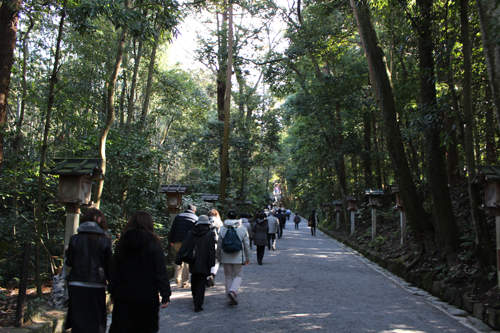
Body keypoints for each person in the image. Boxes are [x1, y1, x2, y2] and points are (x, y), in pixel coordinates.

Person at [108, 211, 171, 333]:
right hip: (147, 295)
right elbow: (160, 270)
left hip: (123, 295)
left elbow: (114, 269)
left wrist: (112, 290)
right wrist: (165, 293)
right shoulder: (153, 243)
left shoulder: (122, 242)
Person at [65, 208, 112, 333]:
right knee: (96, 321)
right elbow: (109, 267)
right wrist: (113, 288)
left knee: (78, 320)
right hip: (97, 284)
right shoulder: (105, 240)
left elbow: (69, 263)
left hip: (76, 283)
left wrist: (67, 251)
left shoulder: (75, 239)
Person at [176, 215, 216, 312]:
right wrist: (211, 262)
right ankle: (198, 304)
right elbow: (211, 249)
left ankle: (195, 298)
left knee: (194, 278)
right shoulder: (210, 234)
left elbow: (185, 245)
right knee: (202, 281)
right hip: (205, 260)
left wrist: (179, 258)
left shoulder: (191, 232)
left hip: (193, 260)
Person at [217, 209, 251, 306]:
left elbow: (219, 244)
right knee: (238, 275)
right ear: (236, 217)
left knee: (228, 277)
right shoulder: (242, 228)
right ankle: (233, 291)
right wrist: (247, 258)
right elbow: (246, 245)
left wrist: (218, 257)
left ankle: (228, 298)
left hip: (225, 255)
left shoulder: (222, 228)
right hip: (238, 256)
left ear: (227, 217)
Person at [169, 204, 198, 288]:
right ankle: (185, 282)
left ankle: (177, 278)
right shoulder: (195, 218)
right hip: (189, 242)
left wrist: (172, 240)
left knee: (179, 257)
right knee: (186, 260)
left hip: (178, 241)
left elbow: (173, 229)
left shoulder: (178, 216)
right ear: (194, 210)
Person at [207, 209, 223, 287]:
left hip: (206, 244)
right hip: (217, 244)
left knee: (206, 260)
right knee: (216, 261)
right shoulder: (220, 223)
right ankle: (212, 274)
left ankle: (207, 276)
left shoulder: (205, 222)